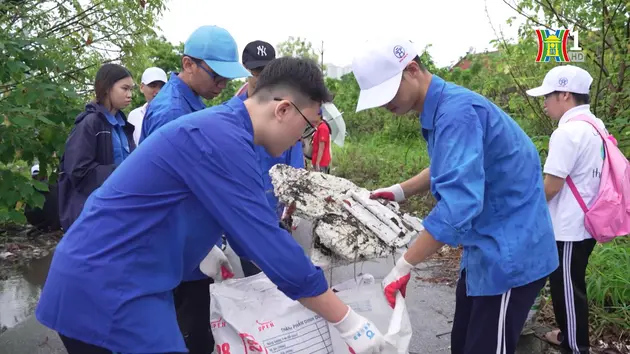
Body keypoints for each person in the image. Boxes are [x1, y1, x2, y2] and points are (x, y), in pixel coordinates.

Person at [34, 56, 386, 354]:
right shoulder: (219, 139)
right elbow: (264, 241)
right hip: (108, 288)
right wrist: (346, 320)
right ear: (282, 109)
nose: (304, 140)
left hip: (130, 278)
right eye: (308, 127)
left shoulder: (226, 132)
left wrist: (202, 249)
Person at [351, 38, 559, 354]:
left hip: (510, 255)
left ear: (412, 69)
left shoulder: (457, 112)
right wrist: (399, 191)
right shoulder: (442, 109)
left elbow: (460, 204)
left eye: (388, 92)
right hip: (484, 249)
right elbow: (448, 165)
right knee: (462, 343)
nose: (384, 103)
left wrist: (404, 265)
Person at [134, 25, 250, 354]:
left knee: (197, 327)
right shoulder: (171, 111)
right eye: (217, 77)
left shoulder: (190, 101)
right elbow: (167, 190)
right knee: (191, 331)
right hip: (180, 247)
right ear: (188, 64)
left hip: (191, 242)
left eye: (227, 78)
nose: (222, 85)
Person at [526, 65, 602, 354]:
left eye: (548, 96)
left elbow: (551, 187)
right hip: (588, 221)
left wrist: (524, 210)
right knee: (567, 283)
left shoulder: (568, 133)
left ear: (565, 95)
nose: (544, 103)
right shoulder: (595, 126)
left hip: (570, 226)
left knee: (567, 289)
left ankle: (576, 345)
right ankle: (568, 333)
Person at [57, 63, 135, 231]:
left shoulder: (123, 125)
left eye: (132, 89)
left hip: (119, 211)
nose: (130, 95)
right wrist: (123, 171)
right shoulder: (90, 123)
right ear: (107, 88)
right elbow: (78, 171)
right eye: (125, 88)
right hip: (94, 215)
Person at [127, 67, 168, 145]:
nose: (158, 91)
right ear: (142, 87)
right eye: (153, 86)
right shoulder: (134, 115)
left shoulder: (173, 114)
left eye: (162, 86)